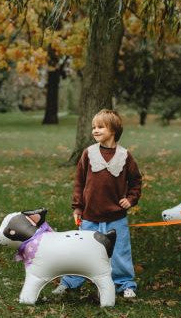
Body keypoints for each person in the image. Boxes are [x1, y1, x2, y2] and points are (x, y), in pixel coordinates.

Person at [53, 109, 142, 299]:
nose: (95, 130)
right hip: (90, 216)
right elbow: (79, 182)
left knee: (119, 253)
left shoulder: (125, 156)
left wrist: (130, 199)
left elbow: (136, 181)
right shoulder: (88, 154)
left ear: (113, 130)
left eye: (100, 127)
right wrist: (78, 207)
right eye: (94, 127)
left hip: (116, 217)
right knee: (82, 252)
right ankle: (70, 282)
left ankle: (125, 284)